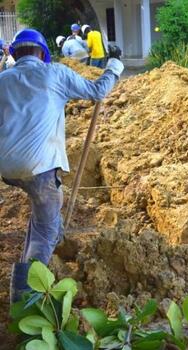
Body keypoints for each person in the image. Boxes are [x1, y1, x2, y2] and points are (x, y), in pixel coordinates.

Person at [0, 28, 123, 303]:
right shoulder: (54, 73)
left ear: (14, 54)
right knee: (47, 230)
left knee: (42, 211)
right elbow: (97, 91)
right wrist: (114, 64)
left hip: (7, 168)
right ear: (42, 54)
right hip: (39, 166)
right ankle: (26, 299)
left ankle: (26, 266)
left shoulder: (2, 79)